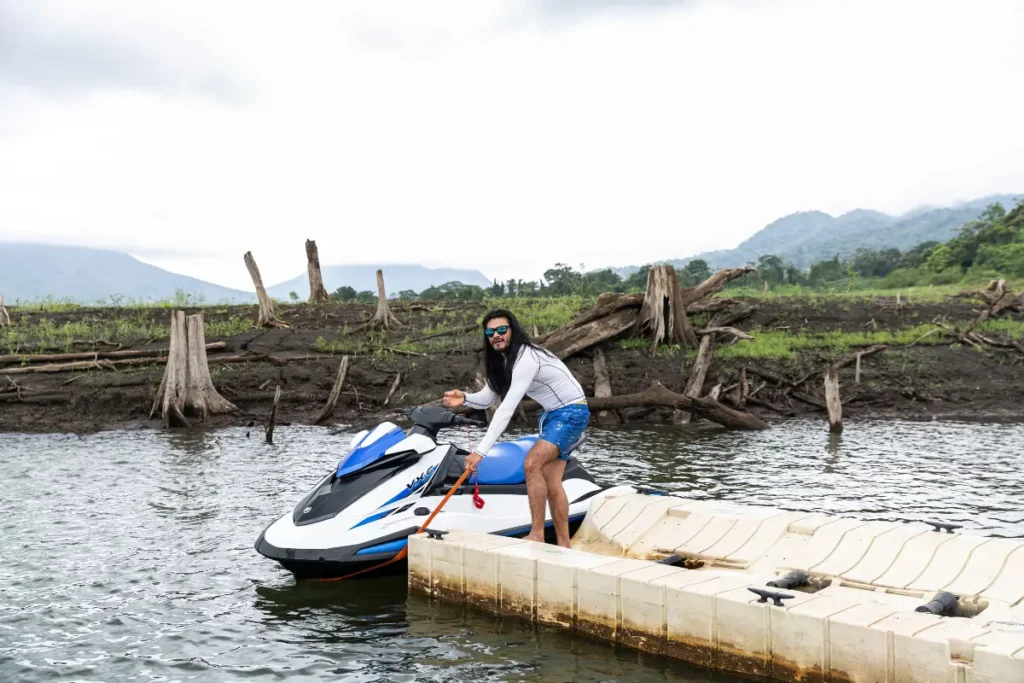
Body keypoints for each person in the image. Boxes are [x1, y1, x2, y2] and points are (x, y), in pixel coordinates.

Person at [443, 309, 590, 547]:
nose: (496, 335)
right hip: (553, 415)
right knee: (552, 482)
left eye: (502, 329)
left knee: (532, 464)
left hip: (571, 412)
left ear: (513, 330)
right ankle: (564, 545)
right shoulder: (501, 361)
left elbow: (506, 408)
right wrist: (465, 398)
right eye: (490, 332)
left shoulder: (527, 357)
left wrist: (480, 451)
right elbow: (486, 399)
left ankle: (537, 535)